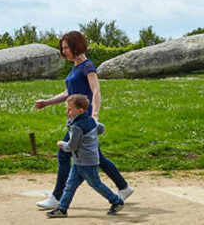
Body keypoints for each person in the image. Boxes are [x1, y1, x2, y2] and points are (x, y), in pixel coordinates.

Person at [34, 31, 133, 210]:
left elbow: (96, 90)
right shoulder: (75, 68)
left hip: (83, 120)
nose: (63, 51)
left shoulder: (88, 66)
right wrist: (46, 102)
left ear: (75, 46)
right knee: (97, 157)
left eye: (66, 47)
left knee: (64, 153)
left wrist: (95, 116)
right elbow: (67, 94)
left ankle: (57, 197)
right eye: (62, 48)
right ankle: (123, 187)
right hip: (79, 119)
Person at [46, 94, 124, 218]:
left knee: (96, 184)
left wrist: (61, 144)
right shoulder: (90, 120)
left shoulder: (77, 126)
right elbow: (101, 128)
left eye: (70, 109)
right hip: (80, 161)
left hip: (86, 162)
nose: (67, 112)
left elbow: (72, 147)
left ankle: (117, 201)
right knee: (70, 186)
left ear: (80, 110)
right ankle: (62, 209)